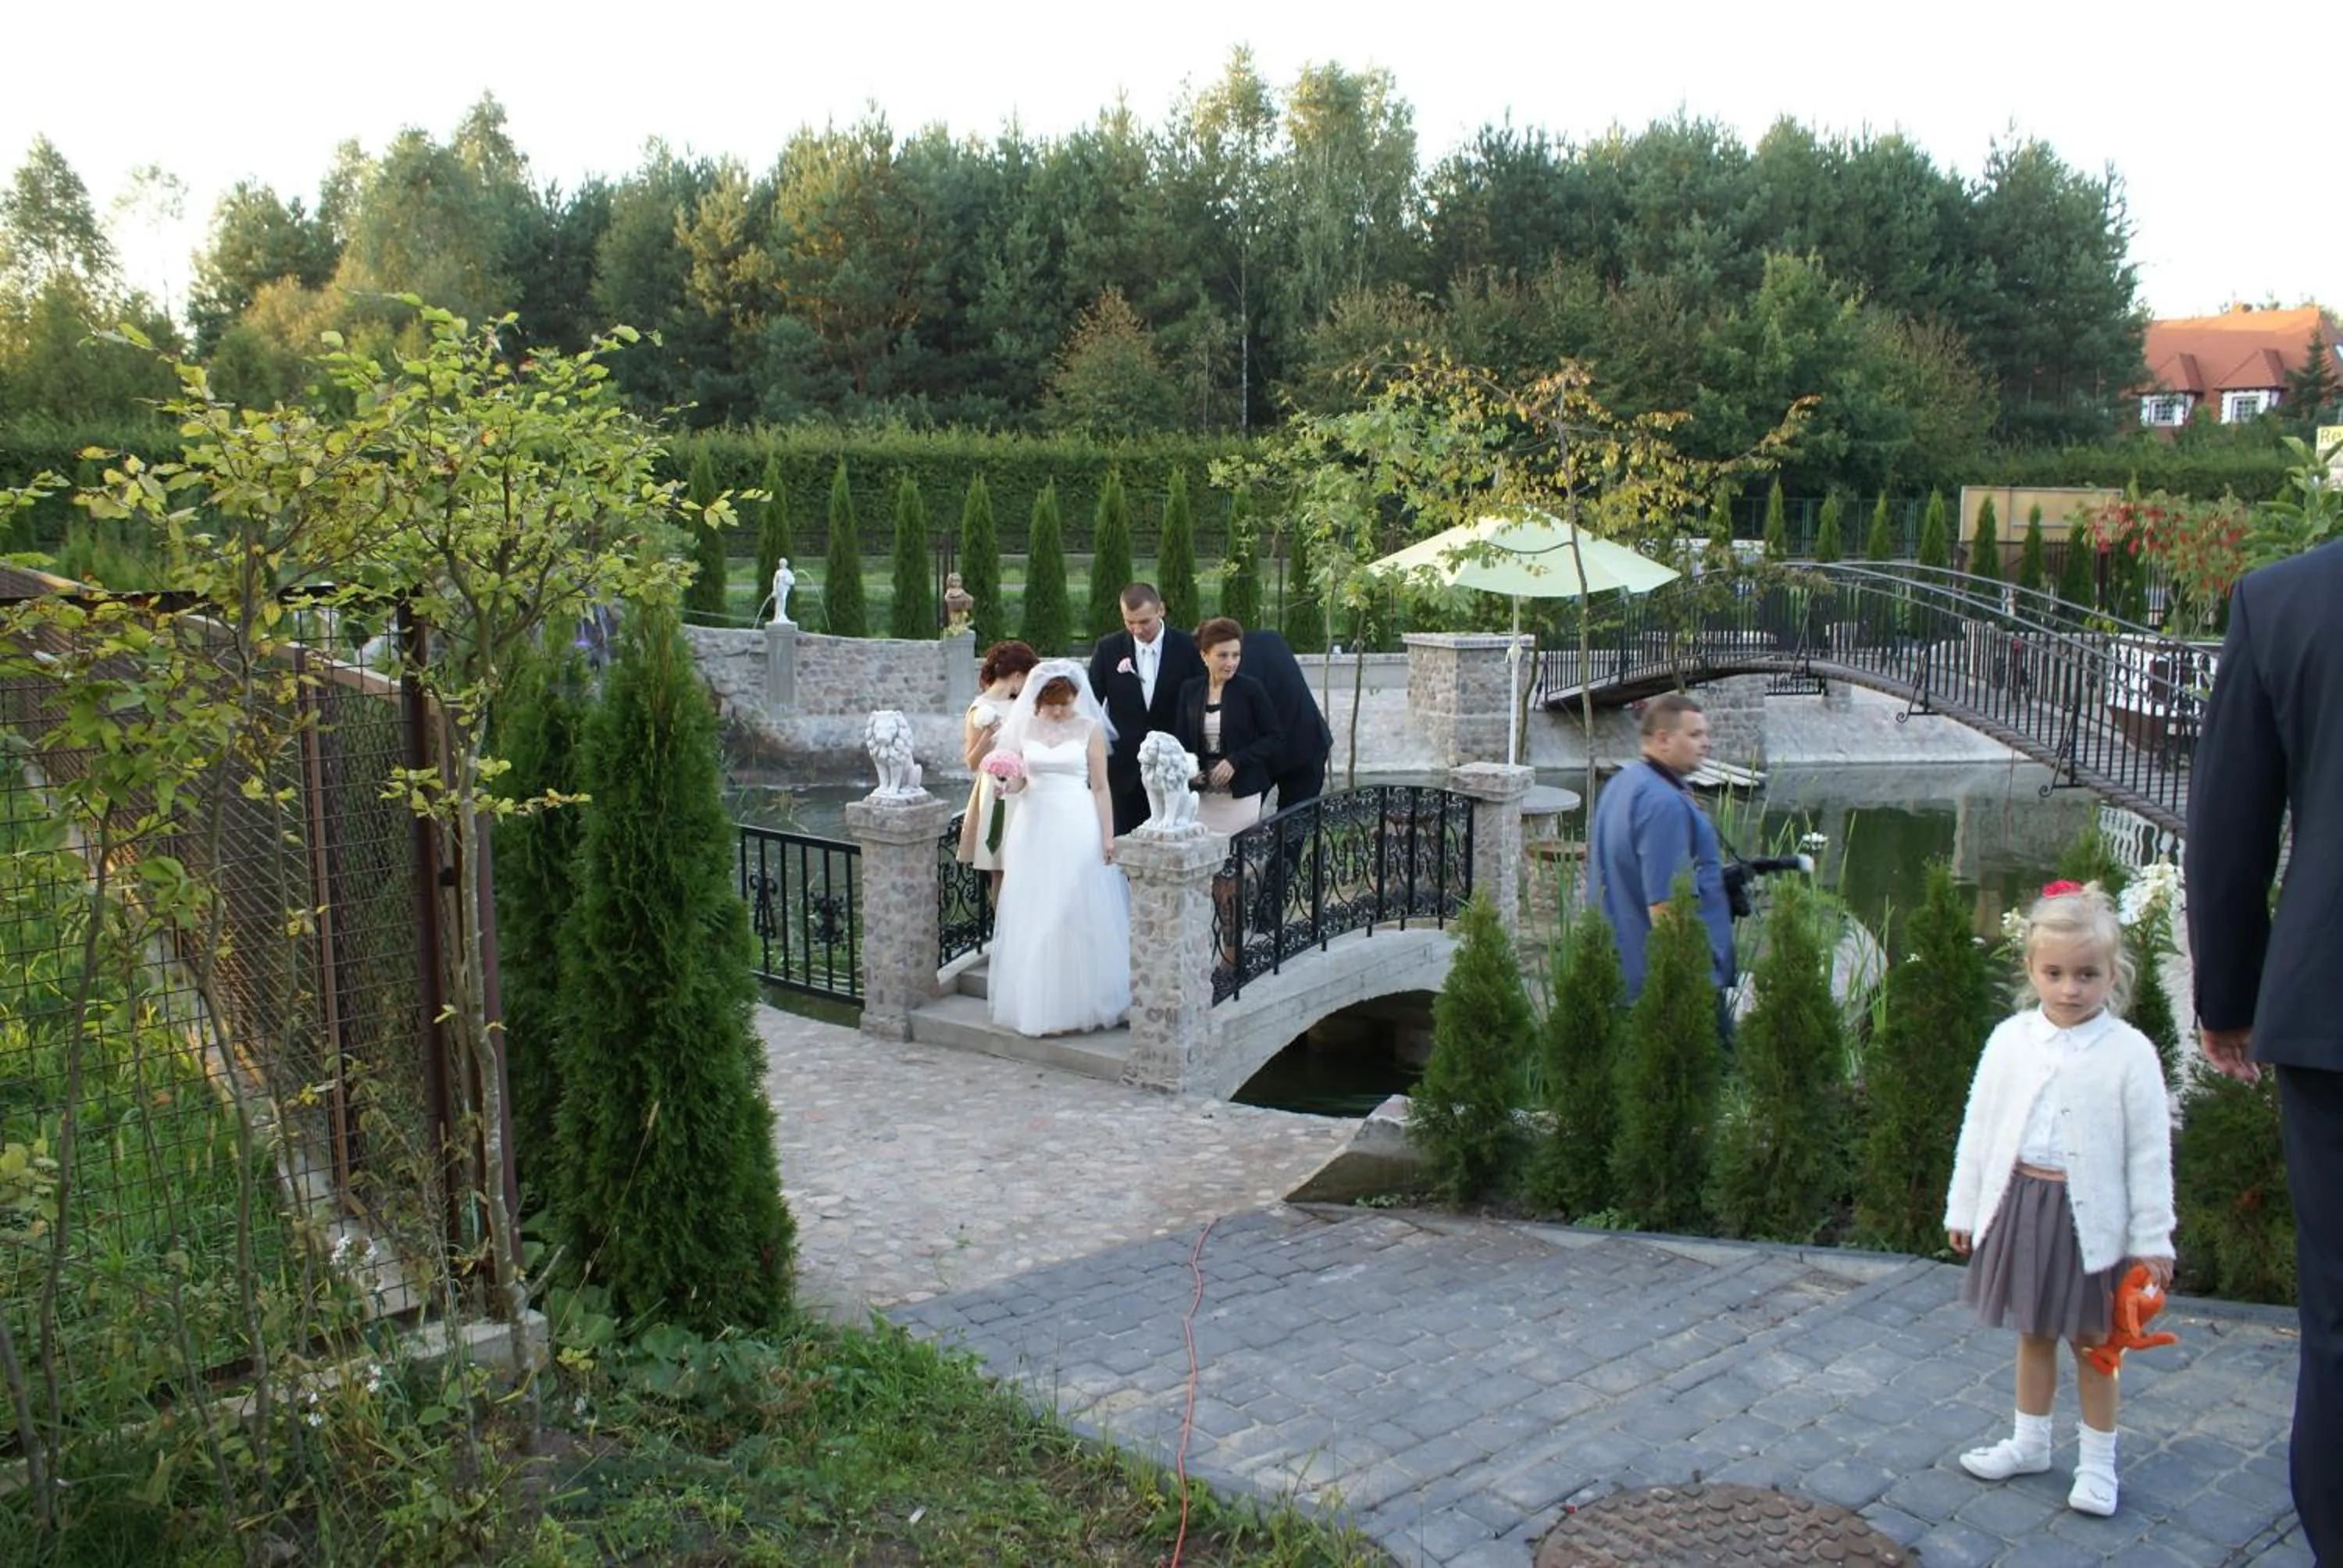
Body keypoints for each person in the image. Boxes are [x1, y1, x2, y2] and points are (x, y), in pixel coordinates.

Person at [2185, 536, 2343, 1563]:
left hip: (2334, 1011)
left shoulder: (2287, 600)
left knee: (2338, 1321)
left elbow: (2230, 824)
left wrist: (2227, 1000)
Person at [1944, 880, 2176, 1520]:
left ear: (2112, 973)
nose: (2070, 988)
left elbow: (2149, 1154)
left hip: (2092, 1222)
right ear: (2031, 970)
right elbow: (1980, 1128)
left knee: (2095, 1342)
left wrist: (2152, 1238)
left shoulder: (2131, 1054)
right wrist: (1964, 1209)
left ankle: (2098, 1464)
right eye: (2055, 973)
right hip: (2022, 1205)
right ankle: (2030, 1442)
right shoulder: (2010, 1040)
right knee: (2034, 1331)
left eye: (2086, 974)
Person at [985, 661, 1130, 1036]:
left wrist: (1108, 836)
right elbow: (1021, 780)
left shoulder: (1089, 729)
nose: (1059, 711)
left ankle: (1086, 999)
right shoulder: (1026, 727)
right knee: (1037, 909)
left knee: (1071, 906)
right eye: (1053, 704)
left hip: (1077, 823)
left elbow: (1100, 787)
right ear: (1038, 701)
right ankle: (1039, 1003)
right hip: (1034, 824)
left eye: (1066, 703)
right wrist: (1006, 787)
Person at [1586, 694, 1734, 1025]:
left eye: (1705, 734)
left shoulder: (1623, 783)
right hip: (1659, 988)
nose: (1706, 743)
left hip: (1620, 971)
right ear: (1664, 739)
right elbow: (1666, 906)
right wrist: (1686, 990)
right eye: (1695, 735)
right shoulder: (1663, 804)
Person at [1089, 583, 1206, 838]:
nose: (1137, 630)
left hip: (1173, 772)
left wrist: (1194, 760)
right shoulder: (1108, 649)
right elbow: (1091, 705)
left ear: (1161, 610)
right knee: (1124, 851)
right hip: (1124, 771)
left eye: (1144, 621)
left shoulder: (1189, 648)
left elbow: (1200, 707)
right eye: (1129, 622)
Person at [1172, 618, 1283, 839]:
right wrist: (1189, 771)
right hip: (1201, 799)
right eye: (1223, 655)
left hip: (1241, 796)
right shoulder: (1190, 690)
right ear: (1205, 656)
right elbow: (1180, 741)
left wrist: (1236, 761)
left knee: (1238, 864)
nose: (1231, 662)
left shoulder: (1251, 689)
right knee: (1204, 862)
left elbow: (1274, 737)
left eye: (1236, 655)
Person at [955, 640, 1037, 898]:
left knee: (1026, 865)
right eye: (1027, 678)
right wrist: (987, 736)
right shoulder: (980, 709)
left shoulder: (1021, 705)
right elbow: (970, 762)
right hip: (995, 791)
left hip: (1024, 787)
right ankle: (1003, 930)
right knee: (1000, 867)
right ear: (1016, 676)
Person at [1239, 628, 1334, 811]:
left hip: (1298, 747)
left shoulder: (1232, 664)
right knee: (1292, 828)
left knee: (1242, 828)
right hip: (1307, 745)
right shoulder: (1268, 640)